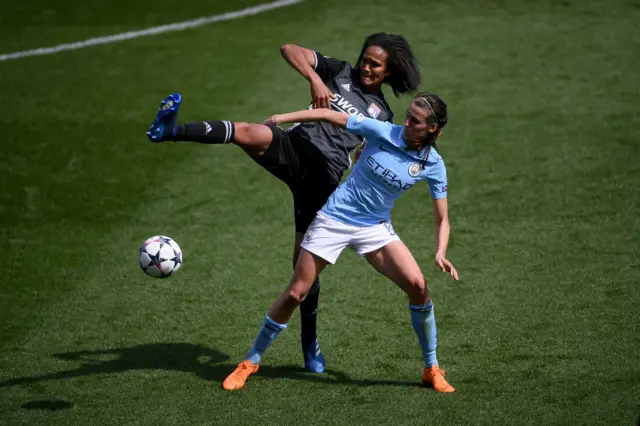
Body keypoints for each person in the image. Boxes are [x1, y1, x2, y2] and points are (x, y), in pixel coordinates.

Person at [145, 33, 420, 373]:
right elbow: (289, 49)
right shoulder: (340, 72)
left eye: (374, 64)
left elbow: (378, 151)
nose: (365, 66)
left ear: (388, 72)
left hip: (322, 180)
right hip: (293, 148)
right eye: (365, 59)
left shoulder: (383, 113)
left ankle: (310, 344)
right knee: (247, 131)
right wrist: (316, 79)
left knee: (301, 274)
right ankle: (169, 131)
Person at [221, 92, 460, 393]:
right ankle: (250, 362)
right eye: (407, 115)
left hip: (374, 228)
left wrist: (440, 251)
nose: (406, 122)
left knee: (419, 287)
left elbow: (442, 218)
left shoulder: (433, 164)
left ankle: (431, 368)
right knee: (296, 293)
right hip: (334, 220)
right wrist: (283, 118)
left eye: (415, 120)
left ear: (432, 129)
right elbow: (329, 115)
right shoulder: (382, 130)